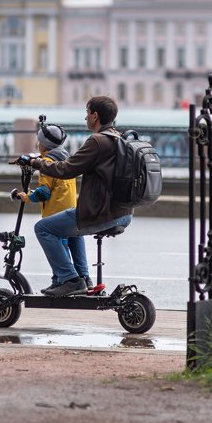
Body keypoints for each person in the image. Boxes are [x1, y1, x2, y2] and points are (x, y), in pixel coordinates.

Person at [30, 96, 132, 297]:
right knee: (71, 222)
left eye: (87, 113)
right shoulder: (119, 138)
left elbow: (66, 169)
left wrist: (35, 163)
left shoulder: (97, 141)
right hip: (123, 212)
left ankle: (70, 279)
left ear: (95, 116)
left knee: (42, 228)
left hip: (100, 213)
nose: (85, 117)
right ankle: (84, 278)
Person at [13, 121, 91, 292]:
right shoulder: (66, 159)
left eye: (39, 141)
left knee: (59, 248)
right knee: (75, 241)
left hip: (57, 215)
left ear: (44, 144)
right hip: (72, 211)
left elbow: (43, 193)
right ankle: (83, 277)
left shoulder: (46, 163)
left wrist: (26, 197)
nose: (37, 144)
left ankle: (65, 280)